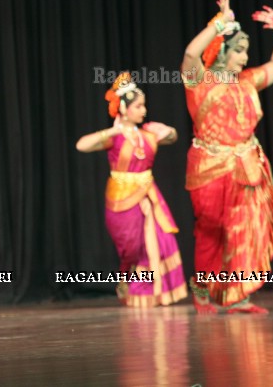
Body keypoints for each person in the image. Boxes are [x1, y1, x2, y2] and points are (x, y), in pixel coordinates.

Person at [181, 0, 273, 314]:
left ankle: (239, 295)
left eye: (246, 52)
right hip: (209, 168)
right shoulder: (198, 81)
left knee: (246, 229)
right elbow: (190, 52)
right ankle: (203, 290)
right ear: (222, 52)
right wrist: (218, 23)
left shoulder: (247, 82)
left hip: (247, 166)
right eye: (239, 51)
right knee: (212, 228)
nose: (245, 58)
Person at [75, 72, 188, 307]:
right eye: (138, 106)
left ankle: (150, 292)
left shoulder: (147, 133)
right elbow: (81, 145)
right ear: (124, 109)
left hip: (148, 194)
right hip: (122, 197)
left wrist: (167, 130)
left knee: (159, 239)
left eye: (144, 105)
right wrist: (112, 131)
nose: (143, 110)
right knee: (131, 246)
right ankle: (126, 279)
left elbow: (172, 137)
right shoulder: (114, 138)